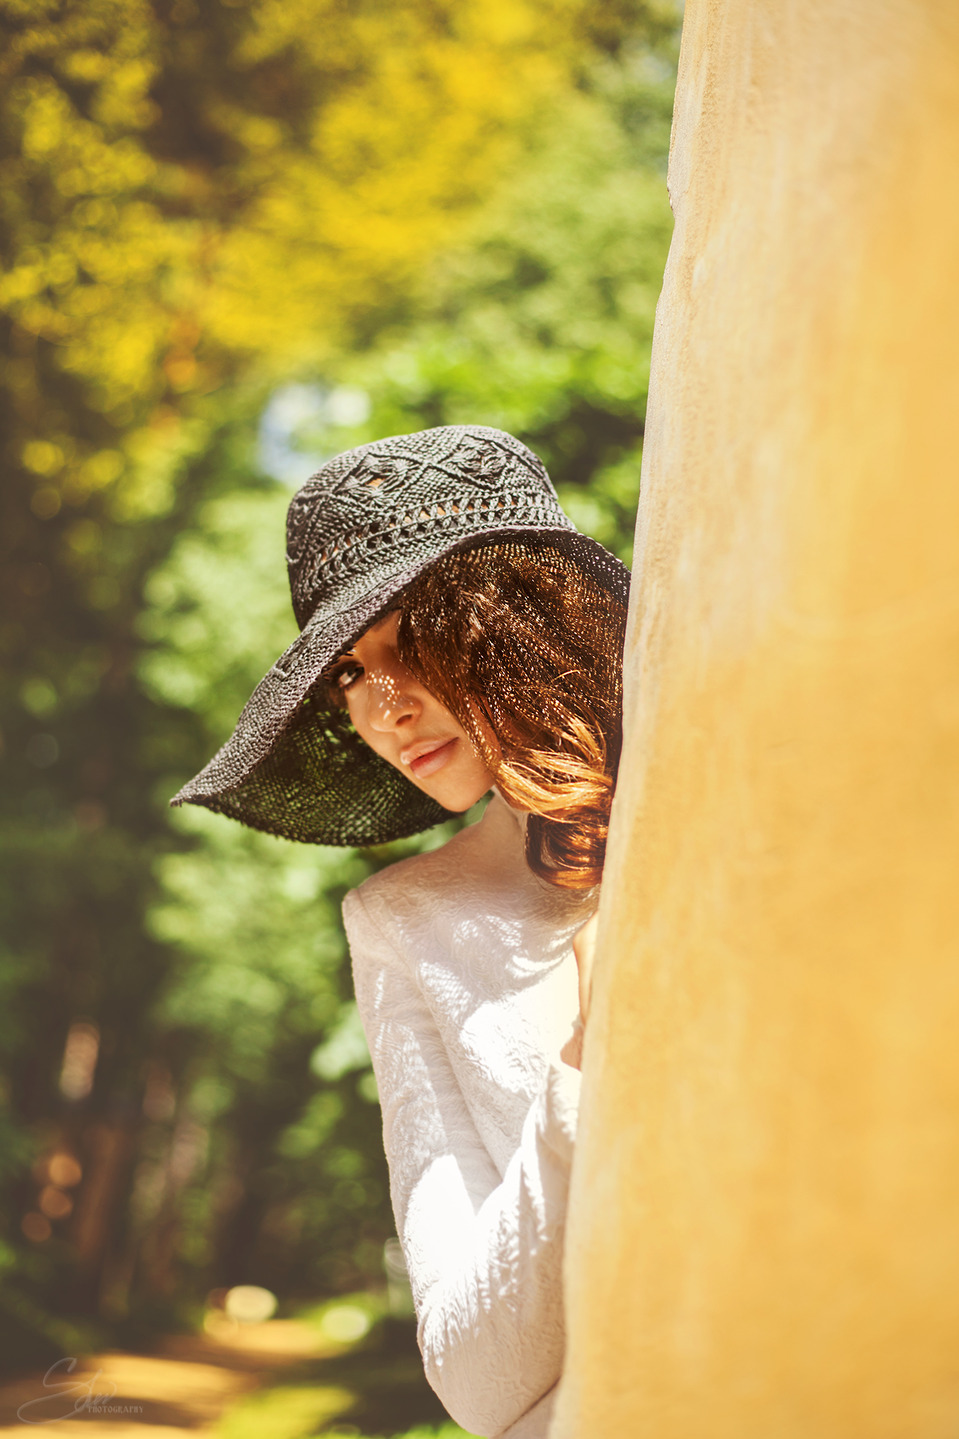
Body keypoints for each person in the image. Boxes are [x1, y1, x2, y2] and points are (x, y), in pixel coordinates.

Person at [172, 424, 630, 1439]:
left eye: (411, 643)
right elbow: (469, 1378)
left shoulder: (723, 790)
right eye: (348, 672)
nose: (384, 708)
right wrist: (579, 1078)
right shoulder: (403, 922)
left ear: (517, 622)